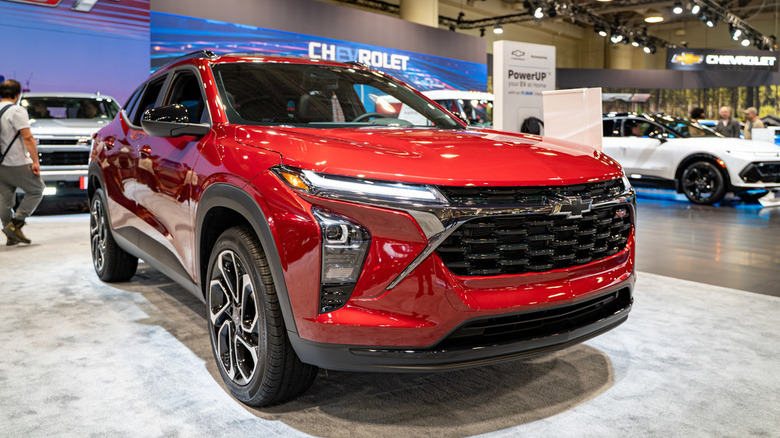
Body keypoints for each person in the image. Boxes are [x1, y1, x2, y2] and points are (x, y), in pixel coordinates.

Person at [0, 79, 44, 246]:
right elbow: (27, 137)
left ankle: (10, 232)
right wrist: (35, 162)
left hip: (0, 164)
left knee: (4, 198)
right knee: (37, 189)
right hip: (15, 161)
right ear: (17, 94)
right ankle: (16, 224)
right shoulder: (16, 111)